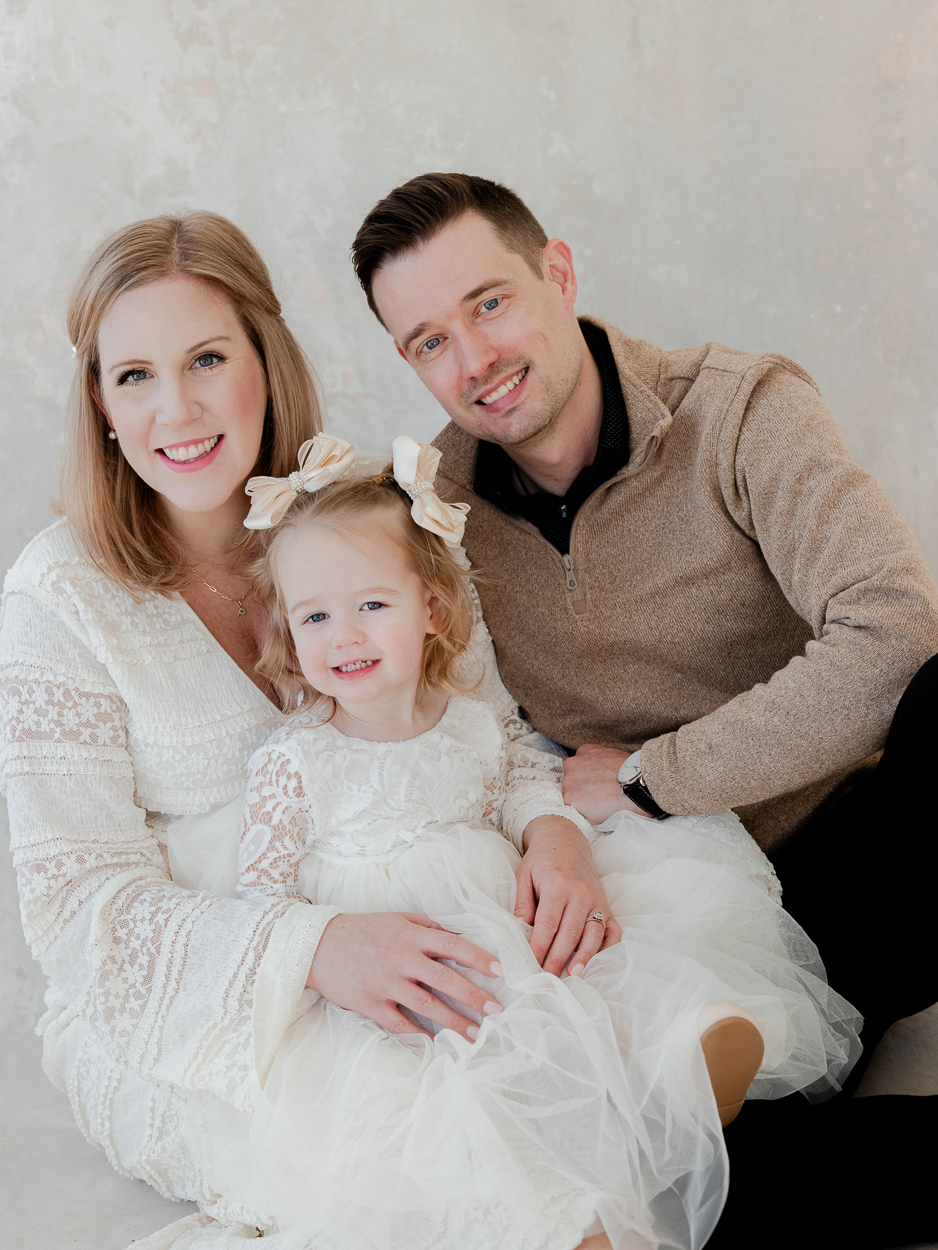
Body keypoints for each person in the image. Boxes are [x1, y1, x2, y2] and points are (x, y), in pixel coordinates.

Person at [349, 172, 938, 1248]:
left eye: (488, 303)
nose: (472, 359)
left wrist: (648, 775)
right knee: (676, 1183)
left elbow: (891, 632)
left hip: (844, 857)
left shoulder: (737, 409)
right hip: (669, 920)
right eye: (428, 340)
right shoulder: (432, 517)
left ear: (557, 273)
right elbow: (458, 732)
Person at [0, 211, 610, 1249]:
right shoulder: (60, 596)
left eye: (206, 358)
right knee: (446, 1156)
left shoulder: (358, 514)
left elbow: (481, 717)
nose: (177, 407)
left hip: (419, 905)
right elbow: (74, 908)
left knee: (602, 1020)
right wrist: (312, 946)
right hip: (215, 997)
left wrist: (552, 829)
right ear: (98, 401)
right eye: (133, 374)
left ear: (265, 365)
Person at [184, 432, 856, 1250]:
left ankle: (676, 1047)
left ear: (430, 611)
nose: (345, 637)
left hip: (503, 921)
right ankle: (563, 1221)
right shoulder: (295, 760)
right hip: (400, 974)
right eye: (316, 617)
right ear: (289, 631)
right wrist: (323, 959)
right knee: (466, 1094)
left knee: (582, 964)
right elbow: (266, 898)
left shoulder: (468, 721)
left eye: (371, 606)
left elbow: (520, 785)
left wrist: (552, 833)